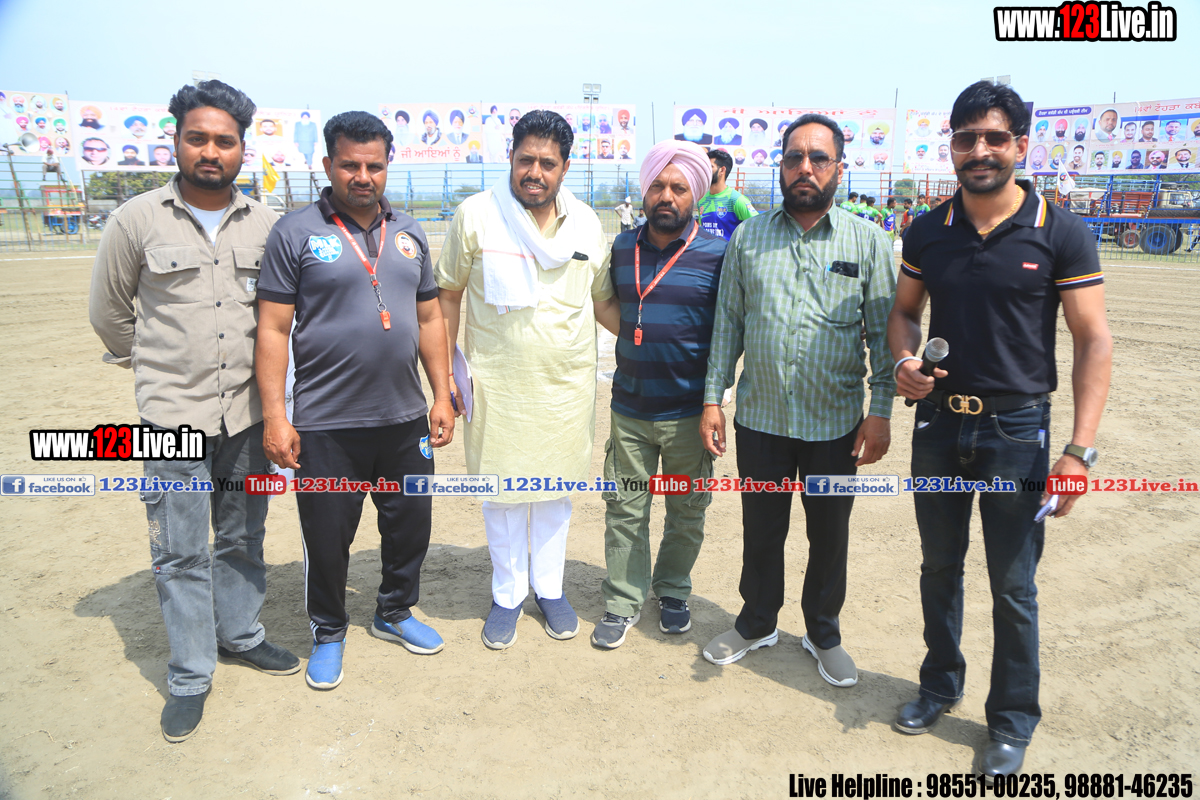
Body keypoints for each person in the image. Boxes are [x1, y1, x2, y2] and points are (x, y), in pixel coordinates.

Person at [888, 80, 1112, 780]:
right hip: (937, 429)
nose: (979, 150)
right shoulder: (927, 230)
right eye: (966, 138)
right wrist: (903, 361)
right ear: (951, 146)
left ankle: (1011, 721)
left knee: (1013, 586)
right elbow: (904, 312)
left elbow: (1093, 340)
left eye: (993, 137)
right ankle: (938, 685)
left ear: (1020, 144)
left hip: (1017, 433)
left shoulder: (1059, 230)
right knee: (938, 567)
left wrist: (1077, 452)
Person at [88, 80, 298, 744]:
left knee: (242, 537)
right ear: (176, 141)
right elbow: (109, 313)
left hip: (248, 417)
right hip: (171, 417)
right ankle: (188, 674)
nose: (211, 151)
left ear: (242, 148)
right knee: (180, 551)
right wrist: (155, 366)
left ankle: (241, 634)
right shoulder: (136, 220)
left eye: (224, 141)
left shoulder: (268, 225)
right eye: (198, 138)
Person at [255, 111, 454, 692]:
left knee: (410, 525)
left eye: (374, 166)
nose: (362, 177)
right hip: (326, 423)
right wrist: (276, 417)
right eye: (350, 165)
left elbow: (429, 318)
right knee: (327, 536)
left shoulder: (410, 232)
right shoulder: (295, 232)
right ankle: (329, 630)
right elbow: (272, 329)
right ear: (328, 165)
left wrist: (441, 395)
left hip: (404, 418)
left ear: (388, 166)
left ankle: (394, 610)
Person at [699, 113, 897, 690]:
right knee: (761, 527)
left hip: (835, 424)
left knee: (829, 534)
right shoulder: (748, 238)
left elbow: (884, 335)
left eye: (818, 158)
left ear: (839, 168)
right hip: (760, 419)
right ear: (780, 166)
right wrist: (713, 399)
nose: (804, 168)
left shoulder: (867, 241)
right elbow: (728, 325)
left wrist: (881, 411)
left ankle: (823, 632)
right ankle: (757, 621)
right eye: (793, 158)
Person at [435, 110, 619, 650]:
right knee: (503, 494)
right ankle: (509, 594)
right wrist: (445, 376)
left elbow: (603, 301)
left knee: (556, 493)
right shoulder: (476, 216)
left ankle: (550, 589)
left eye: (547, 163)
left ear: (565, 167)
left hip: (566, 388)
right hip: (498, 387)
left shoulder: (586, 224)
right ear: (510, 158)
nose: (534, 172)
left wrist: (657, 338)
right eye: (525, 160)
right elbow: (447, 295)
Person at [592, 141, 726, 649]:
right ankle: (623, 599)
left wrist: (714, 399)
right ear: (644, 191)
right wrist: (637, 338)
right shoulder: (621, 247)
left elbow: (728, 330)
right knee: (625, 508)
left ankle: (672, 590)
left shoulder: (717, 255)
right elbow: (608, 305)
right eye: (657, 186)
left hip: (690, 412)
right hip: (629, 408)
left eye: (678, 188)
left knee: (687, 510)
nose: (666, 196)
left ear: (695, 194)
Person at [698, 148, 757, 240]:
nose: (705, 170)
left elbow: (759, 227)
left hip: (729, 250)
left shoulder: (737, 200)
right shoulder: (701, 200)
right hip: (707, 249)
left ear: (722, 170)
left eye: (710, 166)